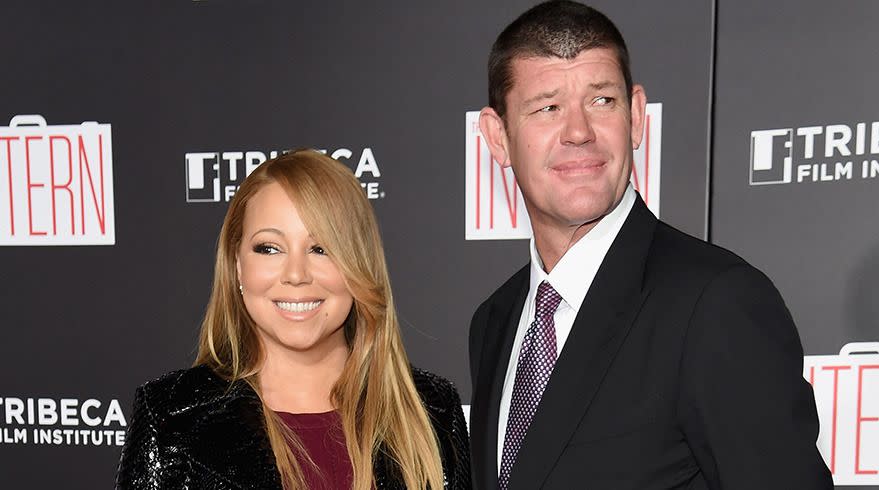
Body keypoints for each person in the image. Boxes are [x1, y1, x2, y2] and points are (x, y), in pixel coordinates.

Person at [468, 2, 833, 489]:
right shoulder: (495, 320)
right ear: (498, 137)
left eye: (602, 101)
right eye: (547, 108)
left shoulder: (715, 302)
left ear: (636, 116)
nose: (579, 132)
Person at [116, 150, 471, 490]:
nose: (296, 274)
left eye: (321, 249)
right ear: (237, 265)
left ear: (359, 265)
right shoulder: (171, 419)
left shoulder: (433, 412)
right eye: (270, 248)